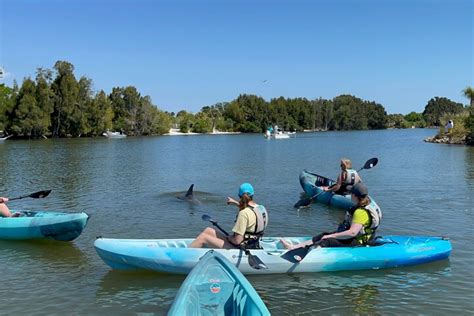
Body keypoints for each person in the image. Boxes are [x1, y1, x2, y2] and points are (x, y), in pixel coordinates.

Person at [281, 183, 382, 249]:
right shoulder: (367, 203)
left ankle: (304, 256)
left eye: (351, 193)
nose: (350, 195)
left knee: (327, 240)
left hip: (359, 242)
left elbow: (352, 233)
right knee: (323, 235)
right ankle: (293, 247)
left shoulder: (360, 212)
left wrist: (331, 236)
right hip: (358, 237)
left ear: (355, 196)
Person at [189, 183, 268, 249]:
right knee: (208, 230)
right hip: (254, 243)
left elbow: (237, 241)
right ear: (253, 194)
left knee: (203, 238)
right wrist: (235, 203)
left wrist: (229, 238)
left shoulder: (243, 213)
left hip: (242, 247)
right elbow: (251, 212)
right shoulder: (261, 208)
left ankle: (184, 256)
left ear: (239, 195)